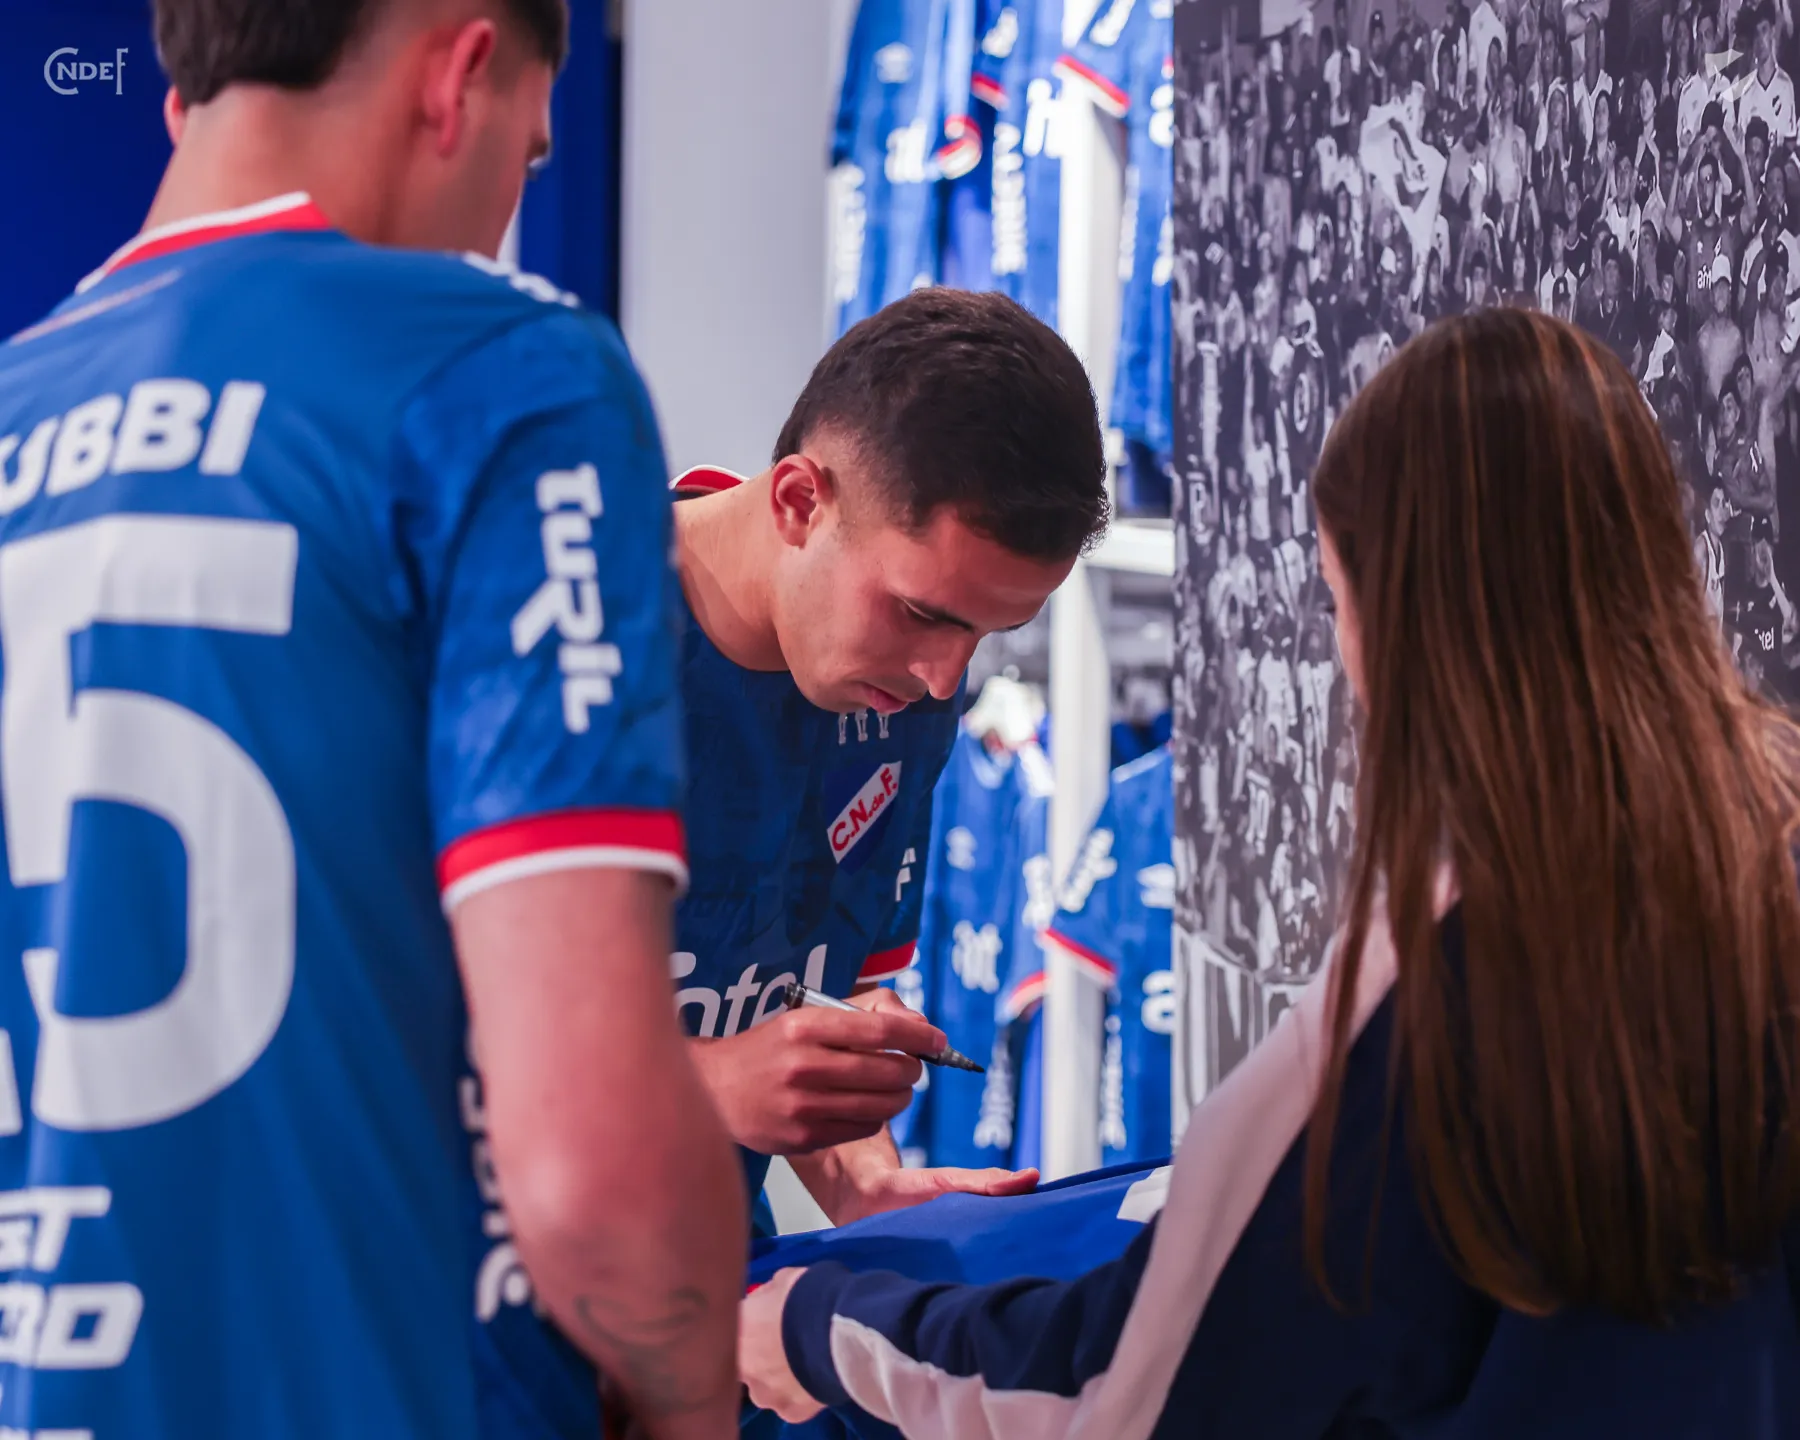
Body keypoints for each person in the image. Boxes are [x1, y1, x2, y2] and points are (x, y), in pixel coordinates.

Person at [738, 310, 1800, 1437]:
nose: (945, 677)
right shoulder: (1758, 864)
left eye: (1339, 603)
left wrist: (823, 1324)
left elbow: (1123, 1386)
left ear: (1403, 610)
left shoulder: (1442, 980)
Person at [0, 1, 748, 1438]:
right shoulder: (501, 372)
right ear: (459, 76)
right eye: (531, 152)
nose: (510, 205)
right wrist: (691, 1399)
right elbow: (591, 1167)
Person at [479, 288, 1110, 1436]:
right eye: (924, 614)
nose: (946, 678)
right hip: (448, 1324)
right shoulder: (541, 634)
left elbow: (807, 991)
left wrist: (858, 1172)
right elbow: (359, 1038)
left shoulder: (899, 688)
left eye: (988, 634)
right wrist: (707, 1085)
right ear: (798, 502)